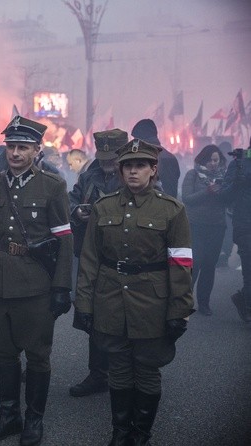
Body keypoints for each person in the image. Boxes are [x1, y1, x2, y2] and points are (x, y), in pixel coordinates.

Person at [74, 138, 194, 445]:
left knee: (148, 369)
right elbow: (90, 260)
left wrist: (179, 310)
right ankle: (120, 432)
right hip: (111, 298)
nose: (133, 172)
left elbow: (181, 264)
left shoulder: (172, 210)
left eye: (141, 165)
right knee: (119, 369)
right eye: (128, 165)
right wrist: (85, 304)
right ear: (119, 169)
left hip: (152, 302)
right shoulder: (104, 207)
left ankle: (141, 434)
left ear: (153, 170)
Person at [0, 115, 73, 445]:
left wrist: (61, 286)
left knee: (37, 354)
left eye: (23, 147)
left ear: (37, 150)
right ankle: (9, 417)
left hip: (35, 281)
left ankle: (34, 420)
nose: (15, 153)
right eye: (11, 146)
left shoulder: (52, 185)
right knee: (3, 352)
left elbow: (64, 237)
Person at [68, 129, 127, 398]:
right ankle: (98, 374)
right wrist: (76, 211)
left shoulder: (136, 175)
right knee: (93, 315)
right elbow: (73, 197)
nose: (106, 163)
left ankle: (125, 374)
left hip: (124, 257)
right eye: (102, 156)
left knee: (126, 317)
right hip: (92, 254)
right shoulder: (89, 174)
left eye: (111, 157)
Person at [181, 144, 227, 316]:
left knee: (209, 265)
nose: (213, 164)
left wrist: (224, 191)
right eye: (210, 160)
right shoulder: (193, 175)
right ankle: (184, 301)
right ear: (202, 160)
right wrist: (207, 191)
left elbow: (228, 201)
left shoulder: (224, 177)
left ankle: (204, 303)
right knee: (196, 263)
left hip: (217, 226)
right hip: (196, 225)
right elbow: (187, 198)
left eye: (216, 160)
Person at [221, 139, 251, 322]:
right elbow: (225, 194)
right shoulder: (238, 164)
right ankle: (248, 308)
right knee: (249, 269)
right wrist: (237, 183)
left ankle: (242, 297)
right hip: (245, 222)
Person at [131, 118, 180, 198]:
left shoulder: (161, 158)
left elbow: (169, 190)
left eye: (135, 139)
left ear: (140, 138)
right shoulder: (167, 156)